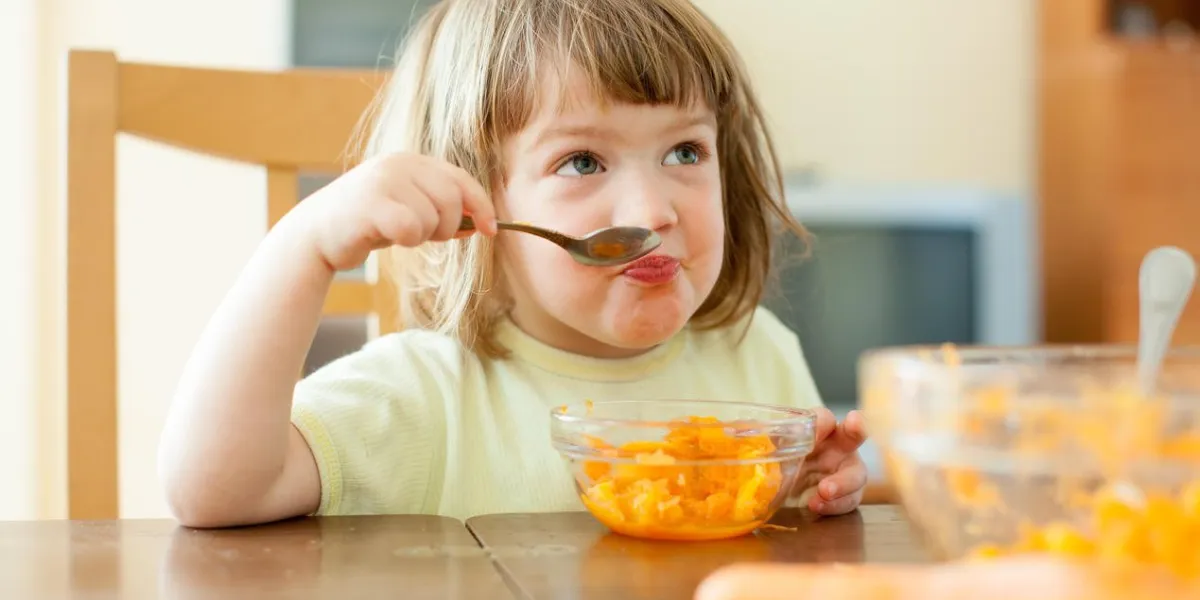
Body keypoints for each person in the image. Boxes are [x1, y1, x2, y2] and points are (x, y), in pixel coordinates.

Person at [157, 0, 869, 528]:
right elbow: (215, 492)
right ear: (470, 202)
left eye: (685, 152)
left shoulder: (758, 358)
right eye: (582, 161)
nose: (654, 210)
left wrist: (830, 488)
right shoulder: (427, 396)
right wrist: (301, 248)